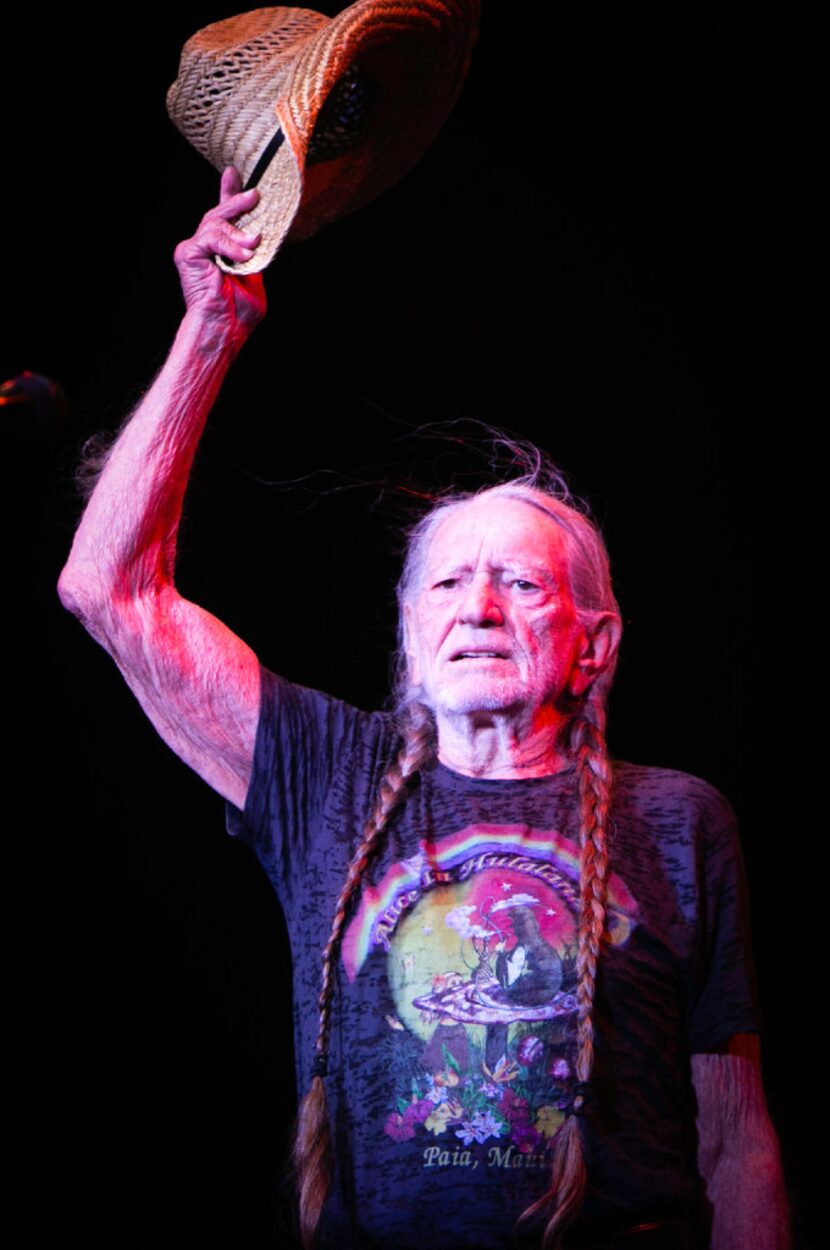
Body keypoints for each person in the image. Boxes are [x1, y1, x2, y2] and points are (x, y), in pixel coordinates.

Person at [58, 172, 790, 1250]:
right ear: (405, 635)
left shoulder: (681, 819)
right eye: (445, 584)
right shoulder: (324, 774)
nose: (477, 607)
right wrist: (208, 329)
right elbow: (109, 588)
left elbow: (732, 1141)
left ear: (593, 643)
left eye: (522, 583)